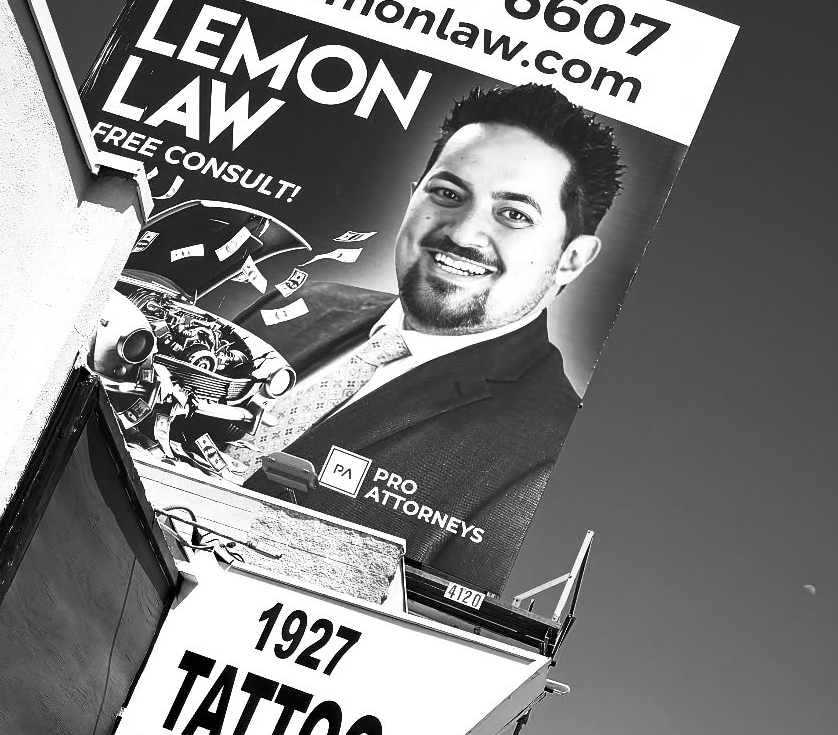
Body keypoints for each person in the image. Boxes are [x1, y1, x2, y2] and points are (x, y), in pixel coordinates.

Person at [239, 82, 623, 593]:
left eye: (514, 214)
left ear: (570, 259)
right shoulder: (312, 301)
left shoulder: (545, 455)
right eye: (447, 194)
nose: (462, 234)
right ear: (412, 197)